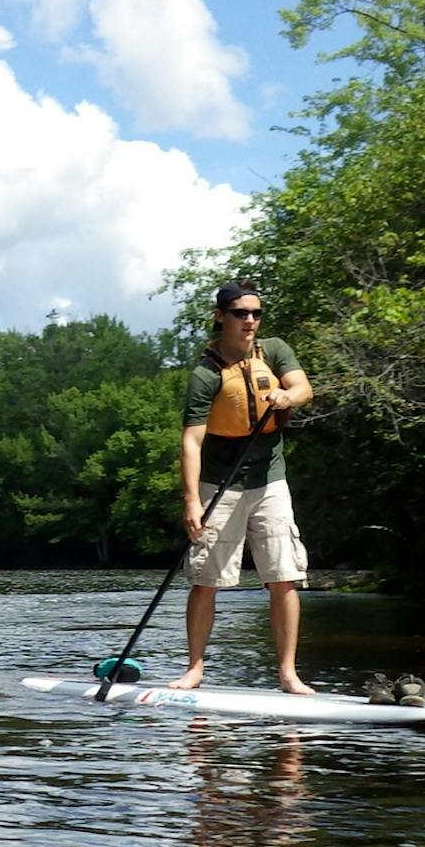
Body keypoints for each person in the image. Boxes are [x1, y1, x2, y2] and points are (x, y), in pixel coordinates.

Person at [168, 283, 315, 694]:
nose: (249, 320)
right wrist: (192, 500)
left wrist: (289, 396)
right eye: (239, 313)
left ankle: (288, 674)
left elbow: (305, 389)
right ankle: (195, 668)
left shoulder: (275, 350)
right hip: (221, 482)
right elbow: (191, 441)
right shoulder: (205, 374)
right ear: (220, 317)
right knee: (206, 579)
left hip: (270, 479)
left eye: (255, 313)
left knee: (284, 575)